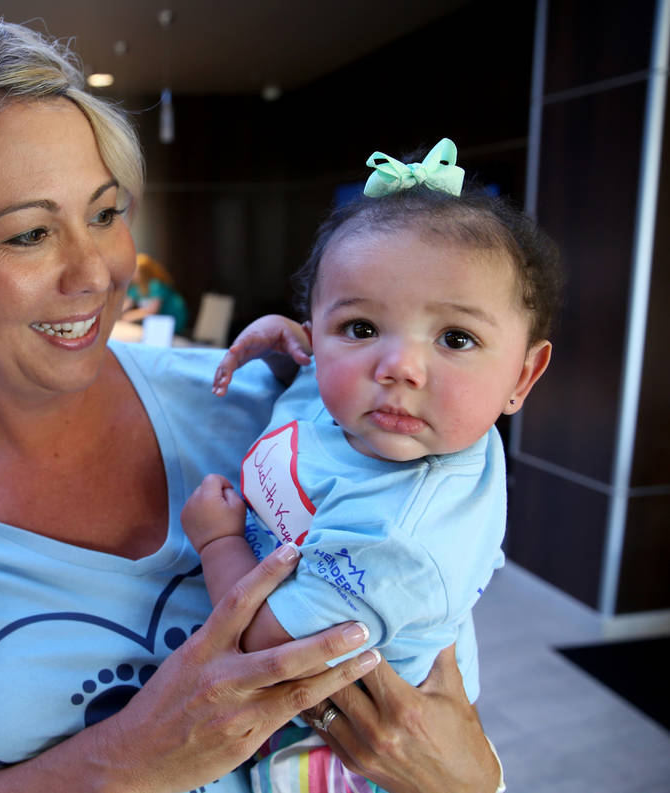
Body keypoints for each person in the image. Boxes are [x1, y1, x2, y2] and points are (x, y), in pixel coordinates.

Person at [0, 14, 506, 793]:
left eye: (105, 214)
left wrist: (475, 781)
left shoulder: (262, 402)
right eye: (30, 235)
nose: (95, 272)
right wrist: (126, 758)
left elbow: (433, 669)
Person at [182, 139, 562, 792]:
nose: (398, 367)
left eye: (455, 338)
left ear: (521, 375)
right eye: (360, 327)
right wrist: (287, 354)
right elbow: (310, 389)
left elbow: (267, 650)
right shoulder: (355, 403)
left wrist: (218, 539)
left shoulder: (402, 534)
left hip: (333, 749)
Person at [122, 252, 190, 334]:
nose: (132, 274)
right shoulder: (135, 287)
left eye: (135, 271)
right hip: (158, 322)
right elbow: (125, 305)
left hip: (172, 320)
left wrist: (129, 316)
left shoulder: (156, 285)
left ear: (145, 272)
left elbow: (153, 310)